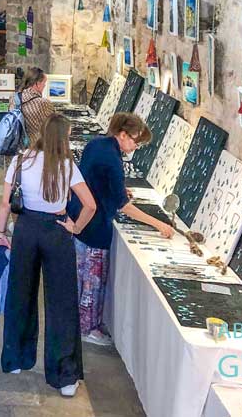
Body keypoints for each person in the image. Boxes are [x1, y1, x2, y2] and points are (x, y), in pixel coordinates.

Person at [0, 114, 98, 396]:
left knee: (20, 294)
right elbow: (90, 205)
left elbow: (5, 203)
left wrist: (1, 233)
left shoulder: (21, 161)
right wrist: (75, 227)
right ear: (63, 138)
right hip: (56, 230)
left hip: (26, 229)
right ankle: (64, 377)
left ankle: (15, 359)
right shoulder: (67, 166)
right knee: (61, 303)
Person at [67, 112, 174, 345]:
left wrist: (116, 190)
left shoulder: (97, 144)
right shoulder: (113, 160)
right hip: (94, 224)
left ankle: (77, 321)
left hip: (79, 215)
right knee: (93, 279)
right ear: (123, 134)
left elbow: (93, 179)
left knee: (80, 274)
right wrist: (158, 224)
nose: (136, 146)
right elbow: (123, 206)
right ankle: (89, 328)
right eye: (136, 141)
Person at [12, 67, 55, 148]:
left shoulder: (13, 98)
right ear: (38, 84)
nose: (45, 86)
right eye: (44, 83)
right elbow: (53, 126)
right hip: (34, 149)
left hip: (15, 147)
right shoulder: (43, 103)